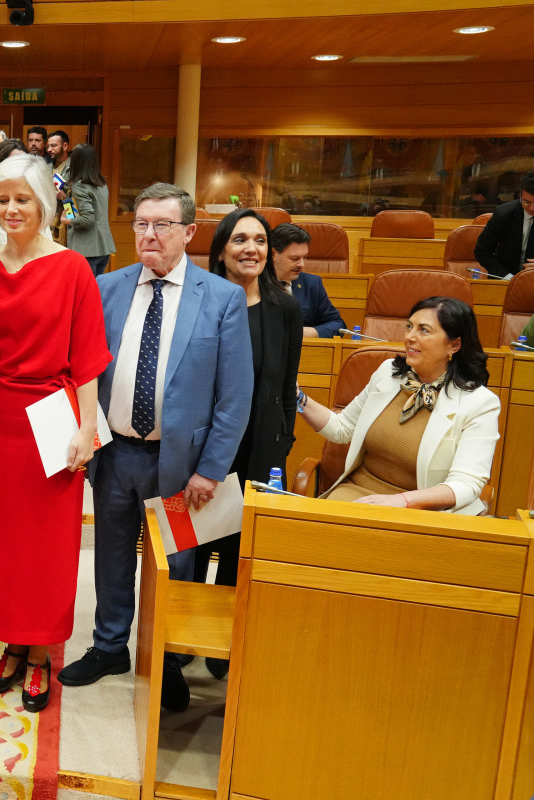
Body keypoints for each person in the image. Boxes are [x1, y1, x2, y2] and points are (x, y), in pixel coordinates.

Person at [57, 183, 252, 714]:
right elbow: (83, 371)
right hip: (116, 454)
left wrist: (211, 470)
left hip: (183, 466)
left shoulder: (222, 298)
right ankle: (109, 646)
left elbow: (234, 398)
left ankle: (165, 656)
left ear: (189, 232)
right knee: (113, 557)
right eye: (141, 223)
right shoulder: (107, 288)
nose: (149, 234)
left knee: (178, 563)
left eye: (162, 225)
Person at [0, 154, 111, 713]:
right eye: (3, 199)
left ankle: (41, 653)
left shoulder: (71, 268)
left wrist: (86, 428)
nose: (12, 209)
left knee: (46, 546)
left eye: (23, 198)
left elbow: (89, 357)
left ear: (45, 203)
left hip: (53, 416)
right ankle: (11, 644)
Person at [194, 210, 301, 678]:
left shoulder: (286, 308)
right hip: (202, 446)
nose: (251, 248)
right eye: (240, 239)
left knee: (241, 549)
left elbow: (286, 385)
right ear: (221, 249)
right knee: (192, 546)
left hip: (260, 445)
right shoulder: (198, 300)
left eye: (260, 240)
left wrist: (282, 443)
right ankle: (181, 647)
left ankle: (225, 644)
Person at [299, 296, 499, 515]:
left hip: (425, 510)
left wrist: (402, 501)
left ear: (454, 344)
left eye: (424, 330)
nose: (410, 337)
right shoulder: (388, 373)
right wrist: (297, 397)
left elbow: (466, 484)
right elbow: (342, 428)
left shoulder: (480, 403)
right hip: (359, 495)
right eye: (409, 327)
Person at [270, 223, 345, 338]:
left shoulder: (311, 284)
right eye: (294, 258)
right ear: (274, 254)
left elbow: (338, 325)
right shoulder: (253, 282)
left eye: (304, 257)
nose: (302, 265)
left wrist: (313, 332)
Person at [475, 169, 534, 276]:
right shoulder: (503, 214)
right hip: (508, 279)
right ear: (520, 195)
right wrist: (507, 277)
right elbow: (482, 252)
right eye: (526, 201)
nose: (531, 208)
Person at [59, 143, 117, 276]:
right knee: (96, 291)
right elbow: (78, 212)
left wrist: (65, 221)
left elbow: (87, 219)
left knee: (86, 294)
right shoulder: (101, 184)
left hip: (86, 250)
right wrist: (65, 198)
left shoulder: (79, 186)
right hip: (103, 247)